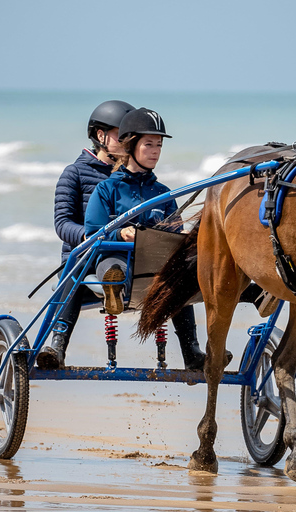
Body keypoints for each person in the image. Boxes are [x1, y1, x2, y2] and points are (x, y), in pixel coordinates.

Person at [84, 107, 210, 370]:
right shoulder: (107, 188)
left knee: (182, 274)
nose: (155, 151)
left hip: (154, 269)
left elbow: (174, 233)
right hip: (116, 260)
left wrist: (185, 235)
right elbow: (93, 230)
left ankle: (193, 353)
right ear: (131, 146)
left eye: (159, 145)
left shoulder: (162, 193)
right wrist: (119, 232)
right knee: (113, 269)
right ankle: (114, 291)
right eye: (149, 144)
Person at [36, 100, 136, 370]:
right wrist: (90, 237)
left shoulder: (135, 178)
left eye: (131, 136)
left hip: (126, 261)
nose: (128, 141)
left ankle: (193, 349)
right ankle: (55, 345)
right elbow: (62, 224)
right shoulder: (75, 174)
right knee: (77, 268)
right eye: (121, 135)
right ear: (100, 136)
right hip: (85, 261)